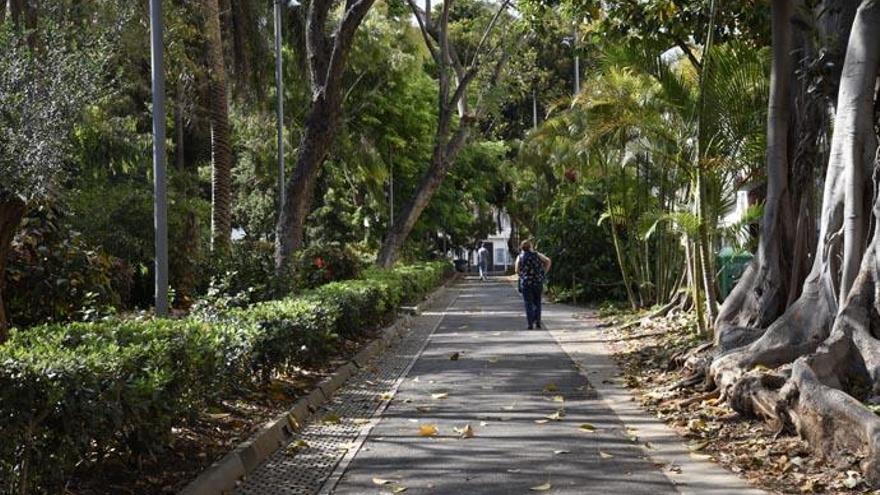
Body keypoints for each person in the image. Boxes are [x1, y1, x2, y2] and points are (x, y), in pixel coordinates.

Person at [515, 240, 551, 329]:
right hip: (537, 281)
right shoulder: (537, 254)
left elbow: (516, 270)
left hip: (526, 282)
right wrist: (543, 272)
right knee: (537, 302)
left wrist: (522, 275)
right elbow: (548, 261)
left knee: (528, 303)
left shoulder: (520, 256)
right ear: (530, 246)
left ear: (521, 248)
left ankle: (530, 324)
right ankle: (538, 322)